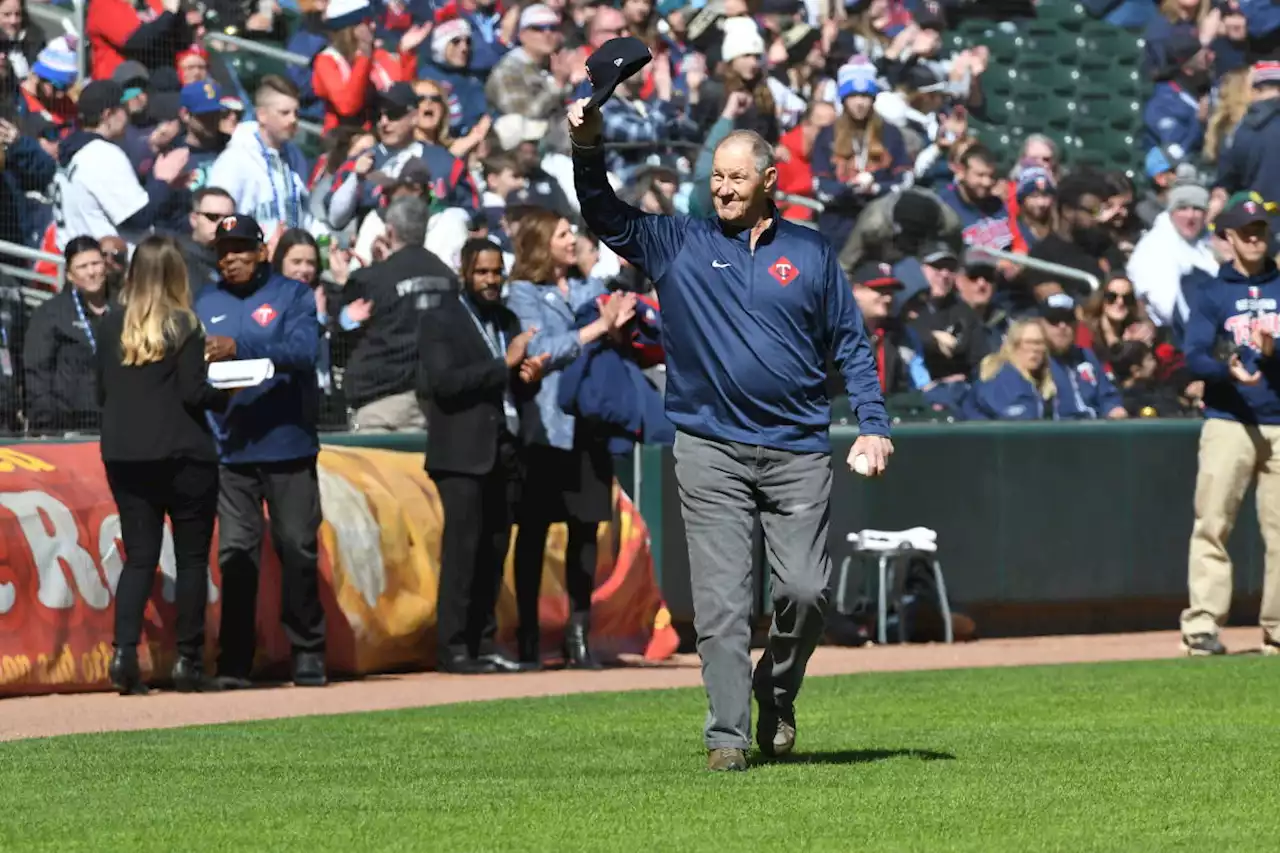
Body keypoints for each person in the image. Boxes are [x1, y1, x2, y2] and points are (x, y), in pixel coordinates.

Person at [568, 64, 891, 772]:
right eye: (716, 176)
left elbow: (849, 343)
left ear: (769, 181)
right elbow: (603, 212)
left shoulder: (809, 251)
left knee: (805, 594)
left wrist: (872, 422)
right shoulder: (678, 241)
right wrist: (586, 146)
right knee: (720, 606)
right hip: (709, 445)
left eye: (737, 178)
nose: (723, 187)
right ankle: (726, 735)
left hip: (798, 447)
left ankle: (774, 694)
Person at [194, 214, 327, 689]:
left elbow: (304, 351)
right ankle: (234, 660)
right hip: (231, 449)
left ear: (261, 251)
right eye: (223, 251)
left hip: (287, 444)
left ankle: (308, 650)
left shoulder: (292, 295)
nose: (230, 258)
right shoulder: (205, 300)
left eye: (240, 249)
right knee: (236, 555)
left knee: (297, 548)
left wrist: (239, 346)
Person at [95, 236, 227, 695]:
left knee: (139, 559)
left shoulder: (111, 325)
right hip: (183, 453)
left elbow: (101, 394)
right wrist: (229, 388)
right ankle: (188, 661)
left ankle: (123, 654)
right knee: (191, 561)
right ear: (177, 276)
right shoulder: (185, 324)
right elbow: (195, 394)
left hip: (125, 454)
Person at [506, 210, 627, 671]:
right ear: (541, 242)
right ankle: (530, 637)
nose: (572, 240)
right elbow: (537, 350)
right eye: (561, 234)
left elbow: (598, 338)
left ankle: (579, 635)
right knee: (533, 532)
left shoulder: (589, 287)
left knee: (586, 530)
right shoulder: (522, 291)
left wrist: (615, 325)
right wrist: (595, 329)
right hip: (544, 425)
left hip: (589, 423)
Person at [418, 239, 545, 674]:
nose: (491, 281)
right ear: (465, 273)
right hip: (460, 453)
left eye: (496, 272)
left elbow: (513, 379)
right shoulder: (441, 318)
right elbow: (444, 384)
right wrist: (504, 365)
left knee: (494, 551)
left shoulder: (506, 319)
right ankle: (453, 647)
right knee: (463, 551)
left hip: (505, 448)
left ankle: (483, 641)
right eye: (482, 273)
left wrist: (529, 374)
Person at [1180, 196, 1280, 656]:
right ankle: (1202, 625)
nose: (1255, 236)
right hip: (1229, 421)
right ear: (1228, 238)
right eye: (1246, 230)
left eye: (1260, 228)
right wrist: (1227, 368)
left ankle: (1277, 630)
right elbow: (1194, 355)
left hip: (1279, 421)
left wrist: (1274, 351)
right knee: (1213, 524)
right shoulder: (1213, 292)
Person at [341, 196, 457, 432]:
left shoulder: (373, 278)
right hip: (431, 402)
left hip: (379, 403)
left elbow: (345, 326)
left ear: (389, 231)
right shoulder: (448, 278)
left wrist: (350, 280)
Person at [53, 80, 189, 250]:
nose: (128, 115)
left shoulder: (74, 149)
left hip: (79, 261)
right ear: (107, 115)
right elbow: (139, 218)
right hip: (103, 267)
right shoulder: (101, 154)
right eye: (124, 109)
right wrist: (162, 180)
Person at [25, 237, 114, 434]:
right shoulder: (51, 314)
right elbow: (37, 372)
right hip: (70, 425)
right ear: (70, 275)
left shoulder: (121, 309)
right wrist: (45, 425)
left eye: (95, 264)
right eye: (82, 267)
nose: (91, 272)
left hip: (117, 419)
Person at [207, 75, 314, 237]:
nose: (293, 119)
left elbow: (305, 215)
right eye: (284, 113)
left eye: (296, 113)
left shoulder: (295, 156)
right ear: (262, 115)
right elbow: (216, 221)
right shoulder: (234, 159)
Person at [177, 187, 236, 294]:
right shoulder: (176, 259)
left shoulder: (240, 259)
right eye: (212, 217)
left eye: (228, 219)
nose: (220, 224)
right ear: (194, 219)